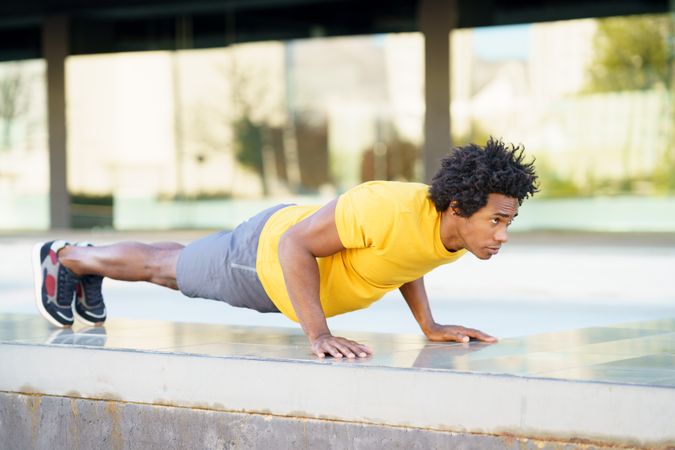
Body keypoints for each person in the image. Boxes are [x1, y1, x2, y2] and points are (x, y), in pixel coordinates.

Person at [33, 137, 538, 359]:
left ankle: (87, 261)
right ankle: (67, 257)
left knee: (175, 264)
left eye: (508, 222)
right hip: (263, 260)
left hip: (278, 281)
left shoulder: (448, 233)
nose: (502, 235)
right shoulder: (386, 206)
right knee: (166, 267)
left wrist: (429, 325)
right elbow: (297, 244)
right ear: (457, 206)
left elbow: (407, 258)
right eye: (496, 221)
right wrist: (318, 334)